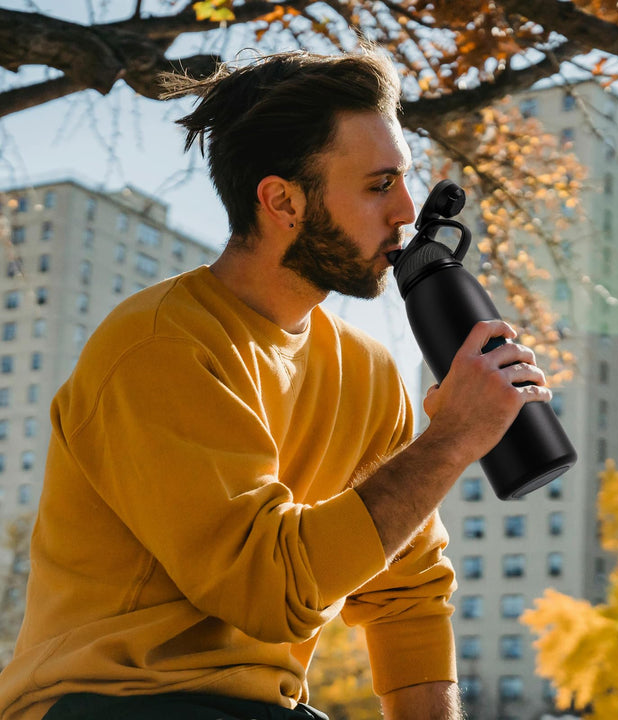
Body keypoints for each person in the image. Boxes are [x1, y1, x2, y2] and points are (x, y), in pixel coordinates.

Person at [0, 50, 551, 720]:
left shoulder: (366, 371)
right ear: (282, 200)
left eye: (404, 181)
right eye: (379, 186)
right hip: (111, 702)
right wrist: (454, 439)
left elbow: (408, 594)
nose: (407, 210)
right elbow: (268, 590)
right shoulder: (161, 346)